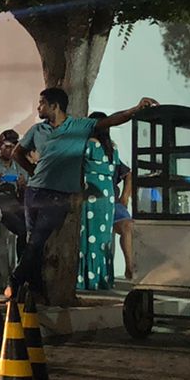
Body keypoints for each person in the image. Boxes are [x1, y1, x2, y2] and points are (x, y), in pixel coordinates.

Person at [10, 88, 155, 303]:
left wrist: (135, 109)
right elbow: (17, 153)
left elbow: (112, 121)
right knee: (35, 242)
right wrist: (32, 172)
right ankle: (36, 290)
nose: (38, 107)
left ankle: (15, 279)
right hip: (34, 191)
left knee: (39, 239)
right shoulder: (36, 130)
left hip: (59, 195)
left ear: (54, 106)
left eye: (41, 103)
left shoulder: (79, 127)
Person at [79, 112, 132, 290]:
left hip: (90, 190)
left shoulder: (88, 145)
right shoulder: (112, 147)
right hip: (107, 193)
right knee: (102, 237)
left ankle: (86, 278)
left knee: (87, 235)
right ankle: (103, 277)